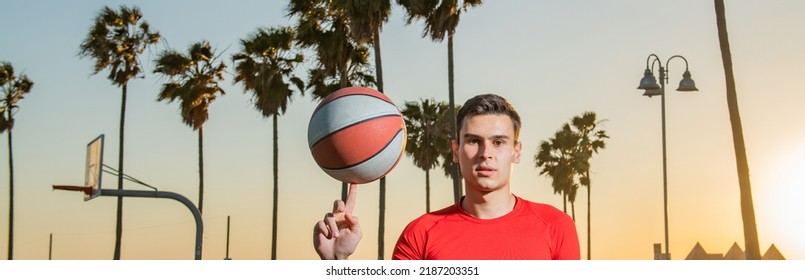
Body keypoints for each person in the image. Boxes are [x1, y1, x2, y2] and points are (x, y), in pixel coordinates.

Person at [313, 94, 580, 260]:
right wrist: (337, 262)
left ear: (516, 152)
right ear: (456, 150)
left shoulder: (556, 227)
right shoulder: (420, 234)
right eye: (474, 141)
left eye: (499, 142)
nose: (486, 153)